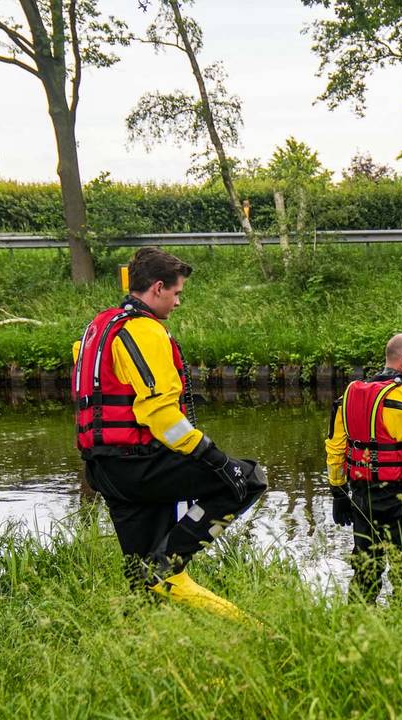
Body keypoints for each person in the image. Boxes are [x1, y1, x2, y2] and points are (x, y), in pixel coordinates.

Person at [73, 247, 266, 619]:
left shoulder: (100, 326)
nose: (178, 302)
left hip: (103, 469)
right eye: (176, 293)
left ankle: (145, 629)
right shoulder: (144, 330)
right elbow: (159, 413)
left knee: (140, 575)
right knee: (247, 479)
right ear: (158, 288)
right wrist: (214, 457)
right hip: (137, 465)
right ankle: (170, 562)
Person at [325, 333, 402, 601]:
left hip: (362, 497)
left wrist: (338, 491)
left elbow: (336, 449)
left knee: (365, 571)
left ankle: (356, 621)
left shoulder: (349, 396)